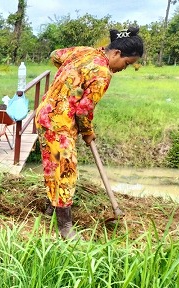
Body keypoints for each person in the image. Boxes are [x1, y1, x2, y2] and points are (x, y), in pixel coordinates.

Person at [36, 26, 144, 239]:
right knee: (66, 171)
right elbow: (84, 110)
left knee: (53, 164)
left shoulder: (84, 52)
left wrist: (71, 75)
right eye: (127, 63)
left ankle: (51, 208)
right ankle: (65, 227)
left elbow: (55, 55)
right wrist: (87, 132)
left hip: (45, 115)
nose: (124, 68)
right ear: (116, 53)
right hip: (61, 125)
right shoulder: (103, 74)